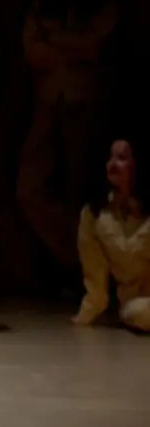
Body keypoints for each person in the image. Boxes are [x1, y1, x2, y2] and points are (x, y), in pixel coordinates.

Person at [17, 0, 120, 288]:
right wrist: (73, 51)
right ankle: (71, 255)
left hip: (87, 105)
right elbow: (33, 51)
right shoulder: (44, 4)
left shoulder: (104, 3)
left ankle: (84, 274)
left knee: (82, 191)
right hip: (49, 104)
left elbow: (95, 45)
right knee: (30, 187)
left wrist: (57, 46)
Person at [73, 138, 149, 334]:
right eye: (109, 158)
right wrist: (83, 318)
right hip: (136, 306)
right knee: (135, 311)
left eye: (121, 158)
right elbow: (95, 277)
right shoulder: (94, 214)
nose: (112, 164)